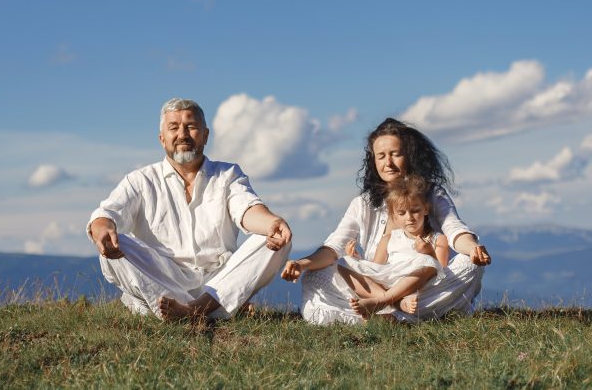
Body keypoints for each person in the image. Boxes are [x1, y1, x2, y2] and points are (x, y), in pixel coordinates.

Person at [87, 98, 293, 321]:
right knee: (112, 247)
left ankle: (193, 310)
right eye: (173, 127)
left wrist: (271, 223)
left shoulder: (227, 174)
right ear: (161, 138)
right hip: (163, 280)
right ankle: (215, 309)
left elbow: (246, 208)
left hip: (218, 280)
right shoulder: (140, 180)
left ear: (205, 135)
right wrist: (103, 228)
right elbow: (107, 214)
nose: (182, 134)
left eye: (191, 127)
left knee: (273, 240)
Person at [282, 117, 491, 324]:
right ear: (373, 160)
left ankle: (381, 311)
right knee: (315, 276)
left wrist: (473, 248)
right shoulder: (362, 204)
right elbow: (334, 247)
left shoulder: (431, 194)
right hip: (375, 283)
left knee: (470, 264)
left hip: (422, 284)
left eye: (395, 154)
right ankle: (398, 309)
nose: (388, 163)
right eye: (381, 156)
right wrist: (301, 264)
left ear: (409, 156)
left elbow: (454, 229)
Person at [337, 175, 449, 319]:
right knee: (342, 263)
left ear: (425, 209)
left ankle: (382, 302)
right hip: (389, 285)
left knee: (428, 262)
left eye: (415, 210)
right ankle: (396, 303)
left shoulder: (438, 239)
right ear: (394, 215)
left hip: (417, 287)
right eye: (402, 213)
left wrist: (429, 252)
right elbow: (376, 269)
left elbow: (442, 274)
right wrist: (357, 261)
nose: (409, 217)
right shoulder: (389, 238)